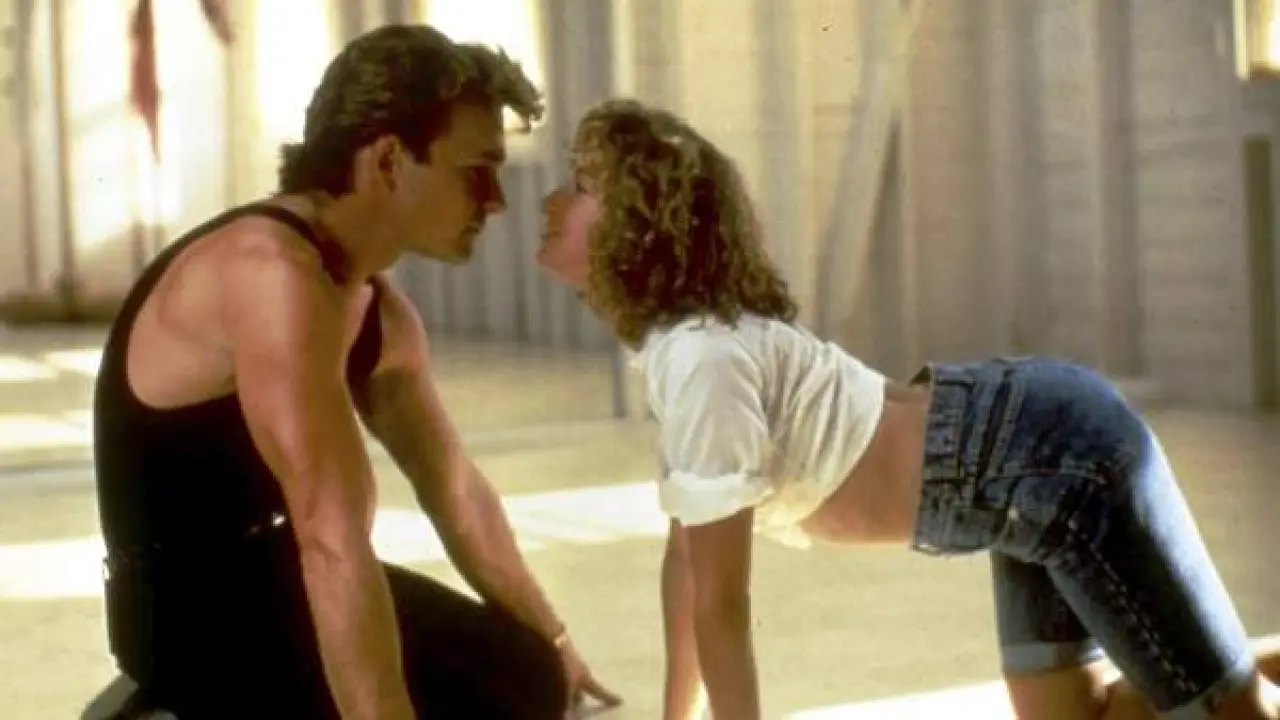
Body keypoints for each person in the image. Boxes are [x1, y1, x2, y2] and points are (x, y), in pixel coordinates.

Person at [536, 98, 1280, 720]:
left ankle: (1231, 680)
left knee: (1231, 716)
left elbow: (723, 605)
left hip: (1055, 454)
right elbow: (687, 568)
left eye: (580, 185)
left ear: (639, 224)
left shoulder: (707, 359)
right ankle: (1224, 666)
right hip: (1020, 482)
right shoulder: (682, 351)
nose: (551, 201)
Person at [92, 25, 620, 720]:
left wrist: (554, 640)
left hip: (275, 574)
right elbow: (330, 537)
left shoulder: (378, 309)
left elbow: (455, 491)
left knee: (529, 679)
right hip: (182, 616)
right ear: (391, 161)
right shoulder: (270, 275)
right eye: (475, 171)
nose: (495, 200)